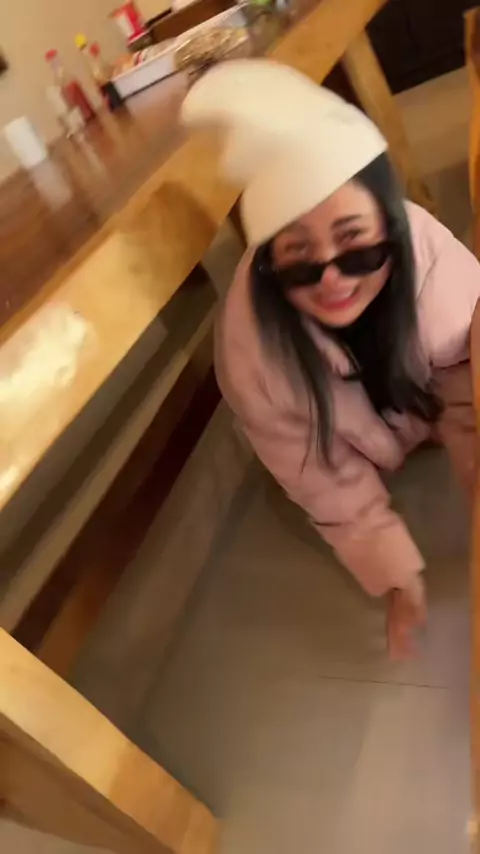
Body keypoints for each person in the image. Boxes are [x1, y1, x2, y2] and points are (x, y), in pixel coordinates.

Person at [182, 59, 480, 659]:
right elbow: (322, 477)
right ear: (269, 263)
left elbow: (468, 388)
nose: (332, 278)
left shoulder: (438, 270)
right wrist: (396, 575)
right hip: (354, 435)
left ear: (392, 227)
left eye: (354, 243)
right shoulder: (254, 359)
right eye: (299, 256)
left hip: (417, 397)